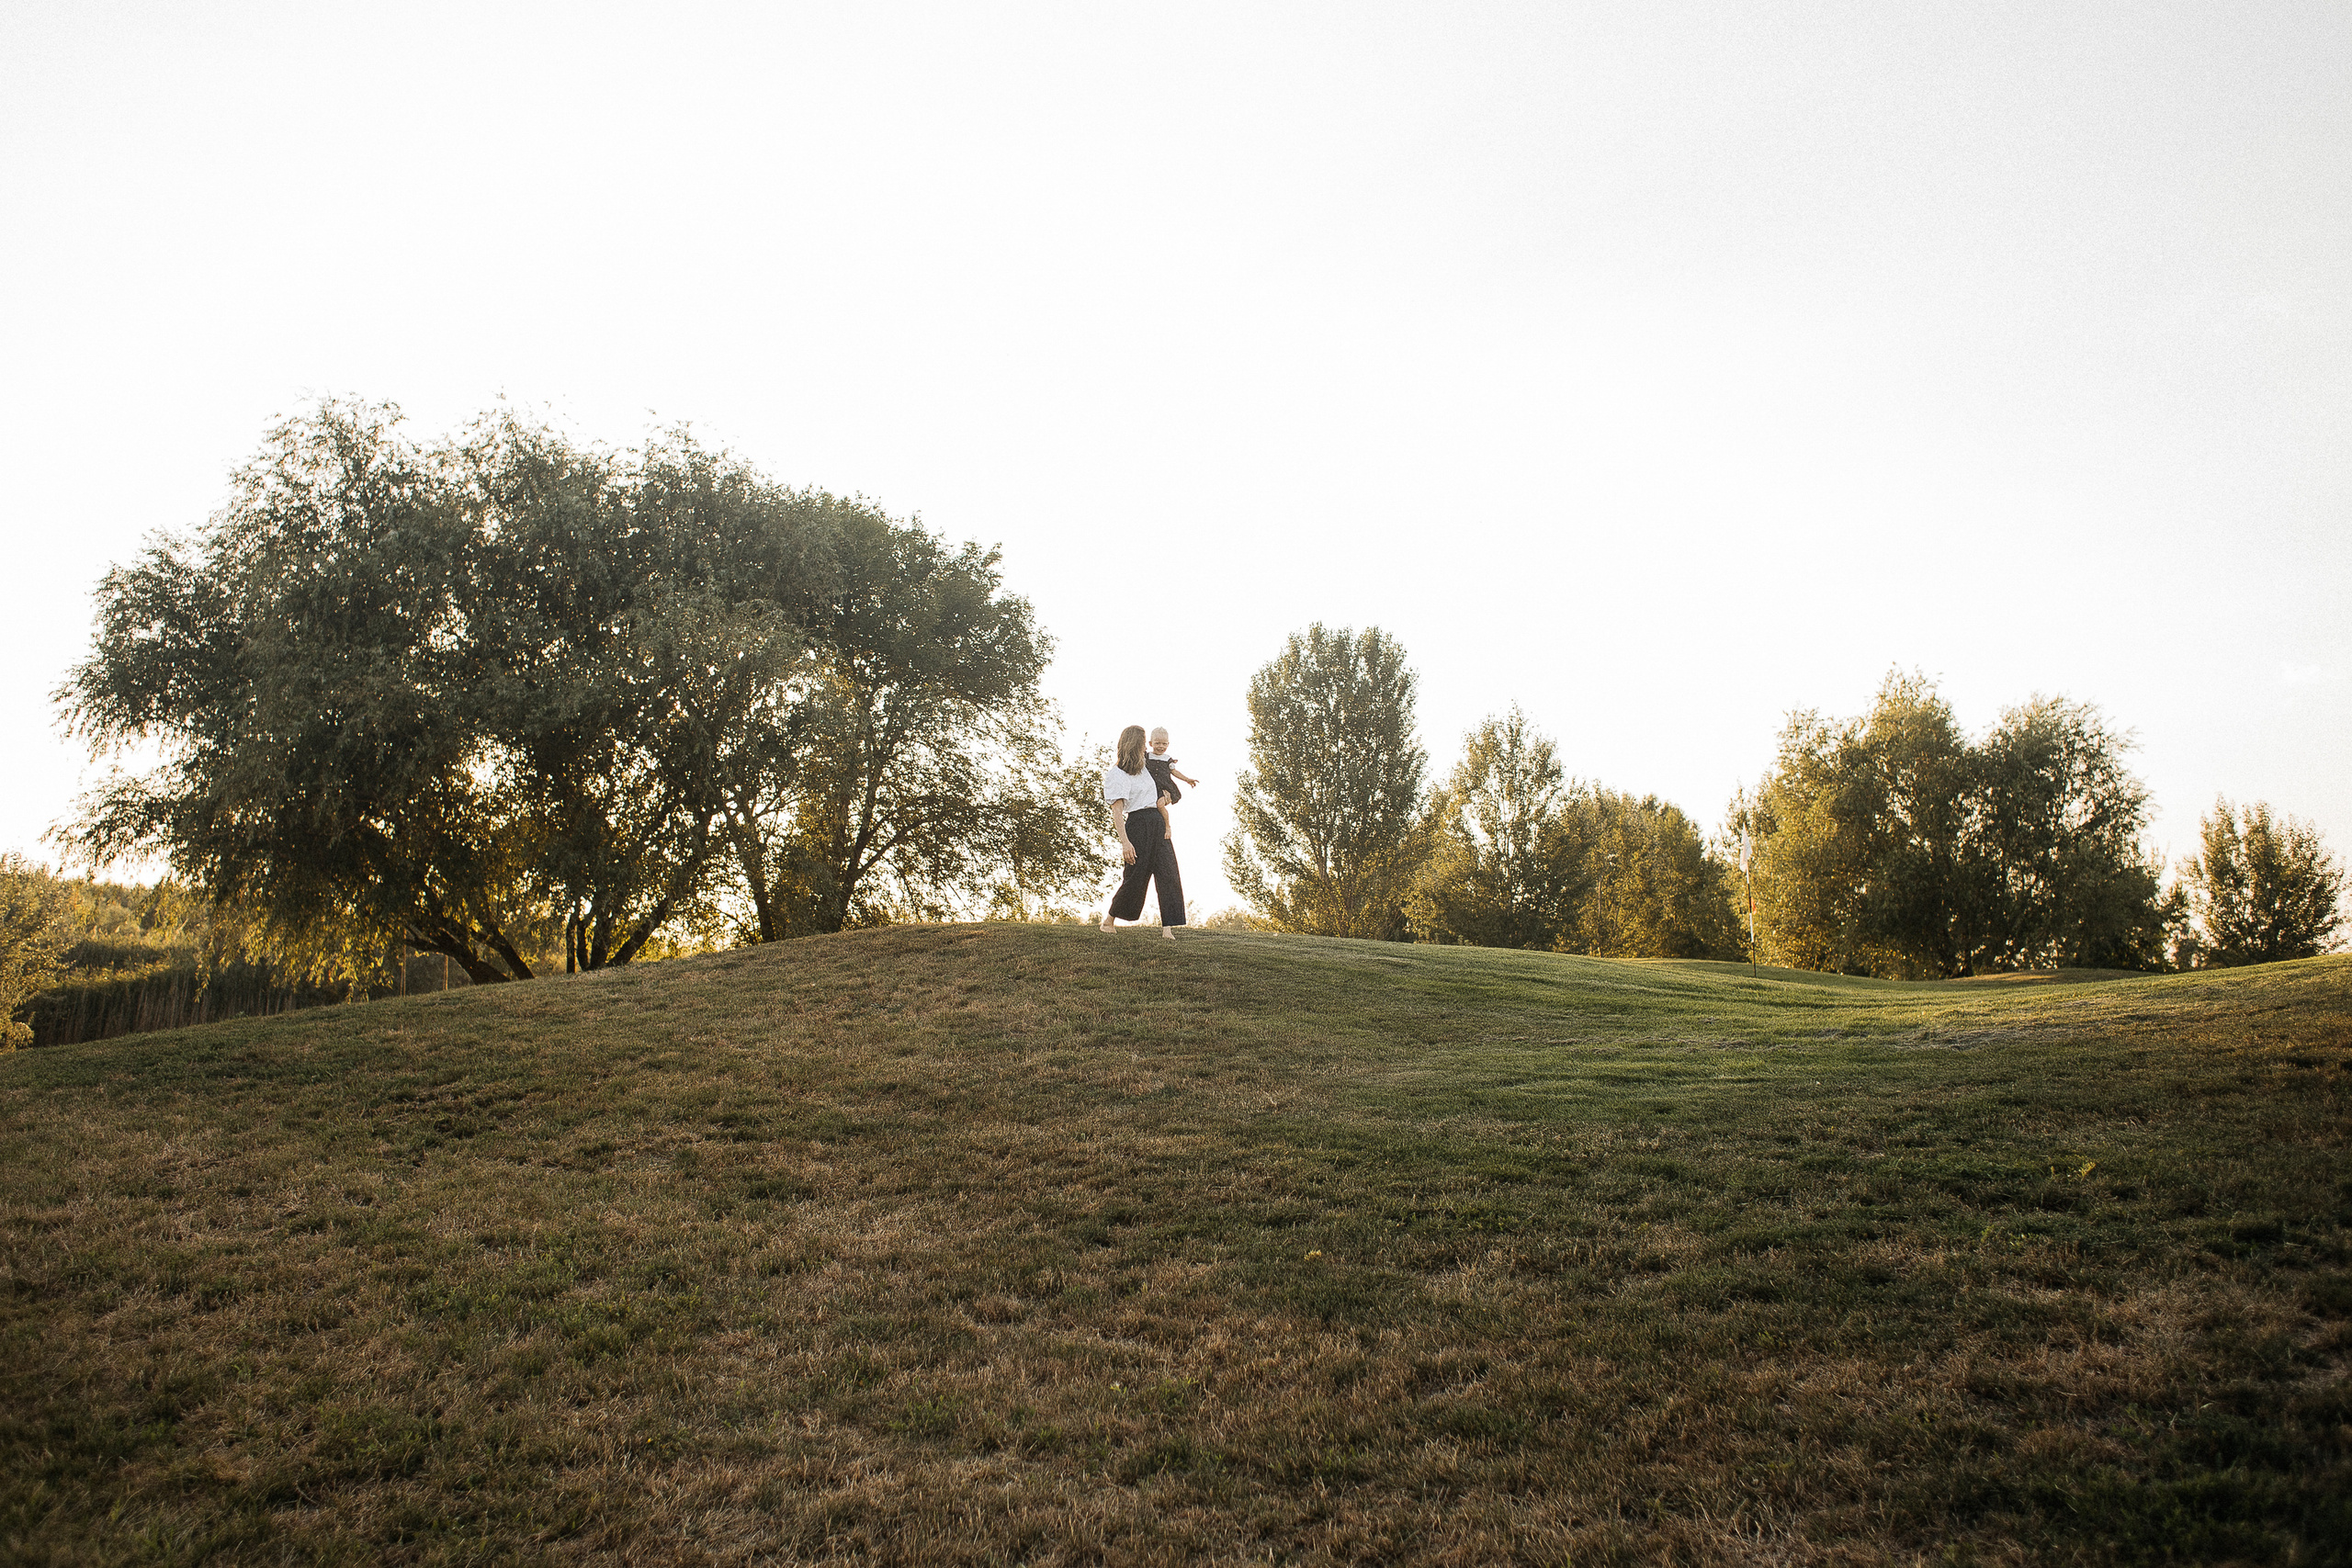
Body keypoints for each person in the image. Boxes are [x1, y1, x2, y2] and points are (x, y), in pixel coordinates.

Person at [1101, 724, 1185, 939]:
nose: (1146, 749)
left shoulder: (1146, 769)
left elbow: (1166, 782)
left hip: (1157, 822)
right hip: (1138, 824)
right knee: (1136, 876)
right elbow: (1117, 812)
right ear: (1135, 745)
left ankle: (1168, 928)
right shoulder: (1117, 774)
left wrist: (1169, 797)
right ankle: (1109, 920)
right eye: (1143, 743)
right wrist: (1125, 842)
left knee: (1168, 872)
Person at [1141, 728, 1198, 807]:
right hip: (1150, 786)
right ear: (1151, 743)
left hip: (1163, 786)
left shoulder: (1167, 759)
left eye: (1164, 744)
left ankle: (1166, 819)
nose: (1161, 746)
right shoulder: (1147, 756)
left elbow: (1174, 771)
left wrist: (1187, 779)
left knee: (1160, 805)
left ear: (1168, 744)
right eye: (1157, 743)